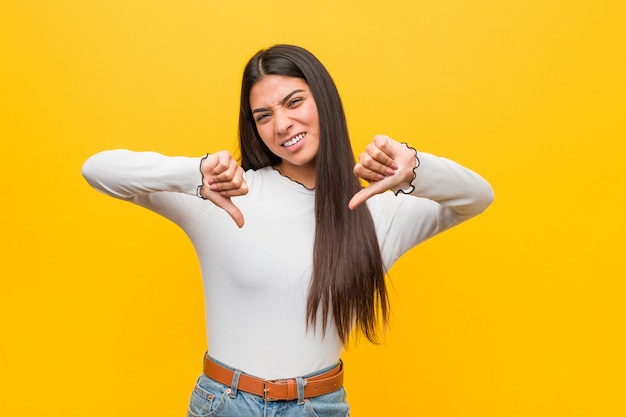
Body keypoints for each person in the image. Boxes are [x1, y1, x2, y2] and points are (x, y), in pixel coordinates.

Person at [82, 44, 494, 417]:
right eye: (264, 116)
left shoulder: (377, 211)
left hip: (320, 408)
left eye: (294, 102)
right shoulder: (228, 196)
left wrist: (416, 168)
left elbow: (477, 196)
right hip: (225, 404)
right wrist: (192, 173)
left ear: (324, 101)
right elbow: (98, 170)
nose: (281, 125)